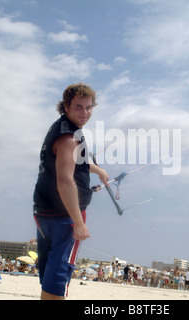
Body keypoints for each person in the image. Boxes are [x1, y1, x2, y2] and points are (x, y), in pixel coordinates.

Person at [33, 83, 109, 300]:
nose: (84, 113)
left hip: (44, 210)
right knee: (58, 279)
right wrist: (79, 222)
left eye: (89, 107)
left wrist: (99, 171)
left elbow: (78, 161)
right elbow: (65, 181)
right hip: (64, 216)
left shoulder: (62, 127)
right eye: (78, 107)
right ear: (66, 106)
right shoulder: (69, 138)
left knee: (51, 275)